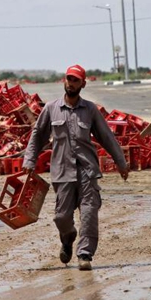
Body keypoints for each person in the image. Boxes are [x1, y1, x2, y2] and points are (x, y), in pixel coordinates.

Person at [23, 64, 129, 271]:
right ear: (64, 81)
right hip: (62, 171)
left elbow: (107, 137)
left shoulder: (90, 110)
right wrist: (29, 161)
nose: (70, 83)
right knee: (61, 217)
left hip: (87, 170)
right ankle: (68, 237)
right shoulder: (51, 108)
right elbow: (37, 136)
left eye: (75, 80)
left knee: (89, 212)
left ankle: (85, 254)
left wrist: (121, 163)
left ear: (83, 84)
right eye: (68, 79)